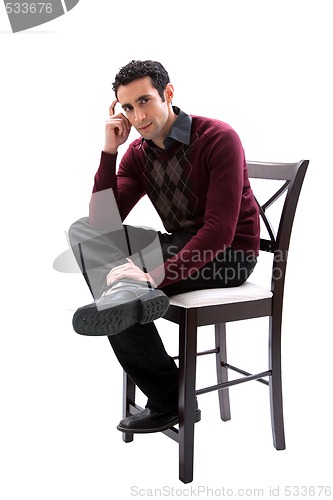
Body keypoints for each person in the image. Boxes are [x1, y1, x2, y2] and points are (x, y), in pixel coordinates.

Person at [68, 59, 260, 434]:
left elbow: (219, 231)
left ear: (168, 94)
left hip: (230, 256)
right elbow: (103, 224)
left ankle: (169, 398)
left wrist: (153, 276)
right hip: (182, 244)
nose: (137, 116)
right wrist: (110, 151)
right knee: (83, 232)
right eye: (127, 107)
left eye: (144, 101)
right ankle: (128, 294)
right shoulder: (137, 153)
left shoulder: (218, 138)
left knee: (117, 289)